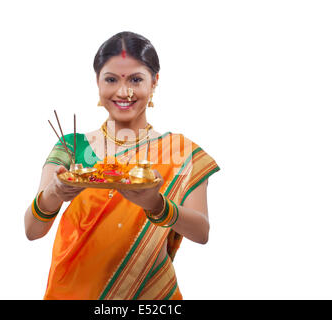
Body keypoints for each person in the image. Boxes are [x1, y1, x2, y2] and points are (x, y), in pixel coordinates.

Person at [24, 31, 220, 300]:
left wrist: (157, 206)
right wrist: (55, 193)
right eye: (112, 79)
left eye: (136, 80)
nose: (123, 91)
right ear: (97, 82)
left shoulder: (179, 151)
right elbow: (32, 230)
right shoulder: (72, 146)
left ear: (154, 83)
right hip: (73, 290)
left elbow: (202, 231)